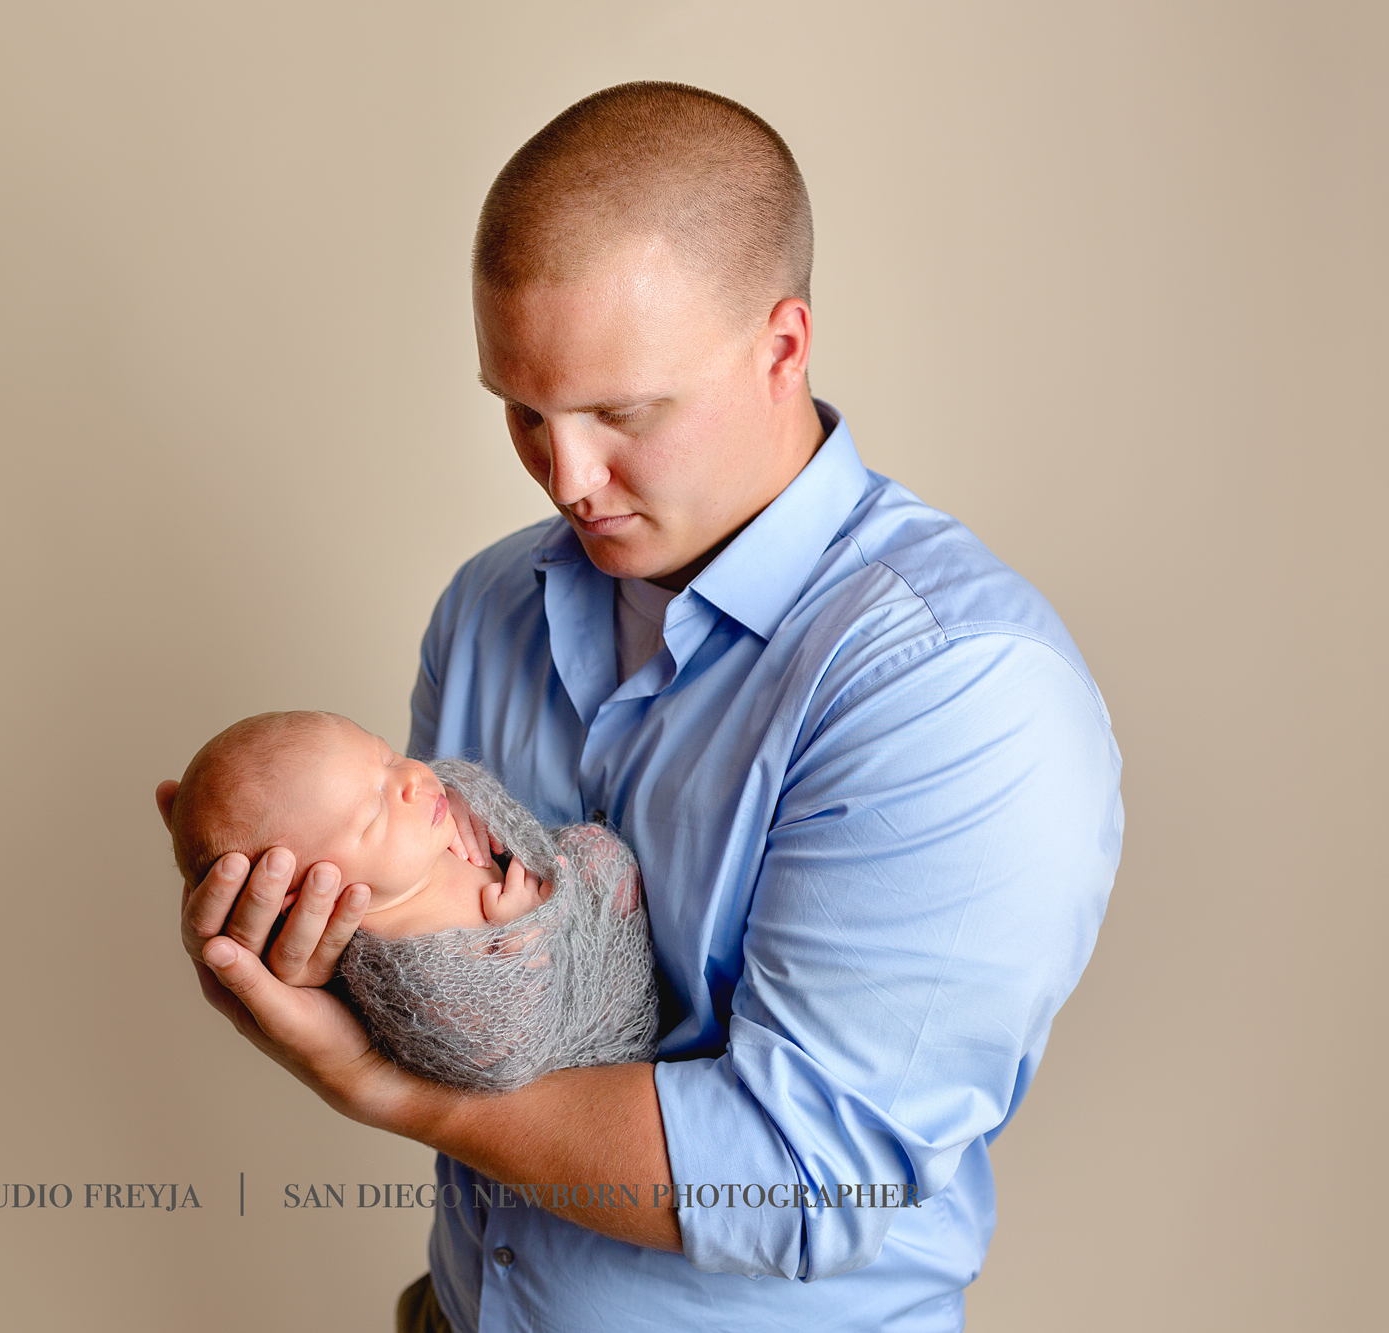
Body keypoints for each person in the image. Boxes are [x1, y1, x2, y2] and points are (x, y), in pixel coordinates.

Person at [165, 81, 1122, 1333]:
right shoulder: (487, 608)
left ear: (783, 347)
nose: (564, 477)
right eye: (520, 409)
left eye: (622, 414)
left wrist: (386, 1090)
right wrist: (307, 945)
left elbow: (794, 1175)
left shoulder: (955, 687)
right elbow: (462, 989)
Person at [158, 710, 658, 1092]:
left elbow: (485, 803)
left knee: (593, 848)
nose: (412, 781)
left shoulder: (421, 833)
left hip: (575, 912)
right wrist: (524, 940)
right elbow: (499, 1051)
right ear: (303, 893)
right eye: (374, 813)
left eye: (389, 756)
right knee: (598, 858)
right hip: (588, 1023)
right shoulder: (405, 966)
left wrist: (465, 797)